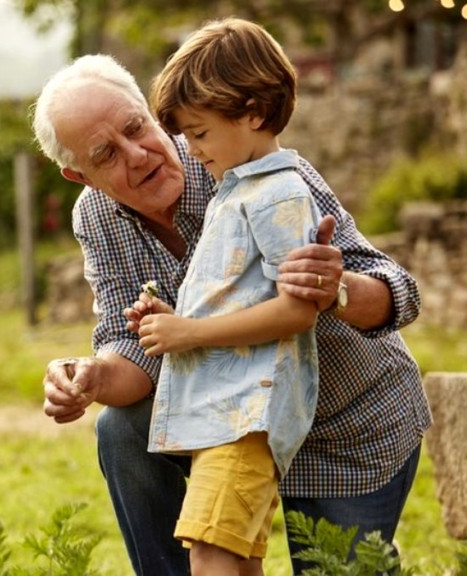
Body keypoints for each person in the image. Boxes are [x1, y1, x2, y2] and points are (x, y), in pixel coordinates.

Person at [31, 49, 431, 575]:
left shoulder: (254, 167)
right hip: (229, 424)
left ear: (151, 112)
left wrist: (336, 285)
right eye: (106, 154)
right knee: (122, 428)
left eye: (137, 127)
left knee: (341, 569)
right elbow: (134, 346)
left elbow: (399, 292)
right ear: (78, 175)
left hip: (342, 425)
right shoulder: (98, 216)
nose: (138, 155)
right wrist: (91, 376)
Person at [122, 18, 323, 574]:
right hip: (224, 412)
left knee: (210, 553)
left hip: (248, 414)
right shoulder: (236, 188)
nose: (191, 149)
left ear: (254, 112)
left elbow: (298, 308)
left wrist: (190, 333)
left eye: (200, 133)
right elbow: (238, 297)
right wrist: (172, 320)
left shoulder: (278, 192)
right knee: (232, 556)